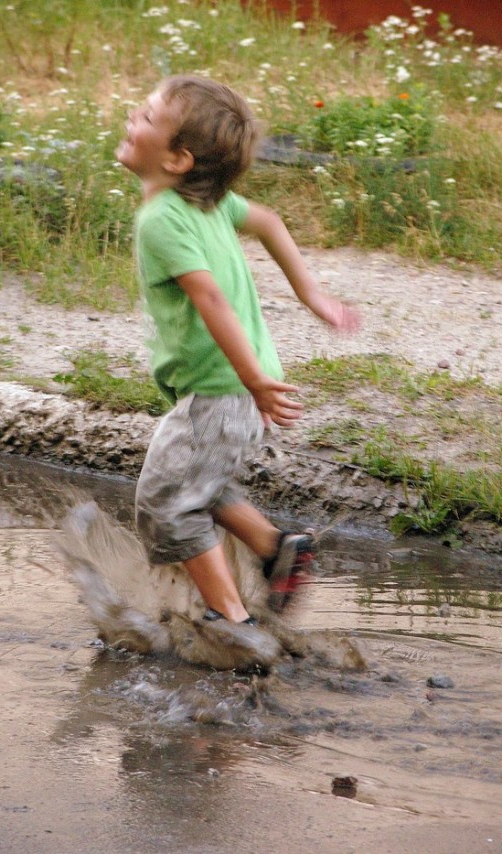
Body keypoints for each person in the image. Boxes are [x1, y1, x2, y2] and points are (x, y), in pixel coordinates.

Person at [117, 75, 359, 626]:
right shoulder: (211, 204)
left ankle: (232, 621)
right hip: (233, 388)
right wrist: (311, 294)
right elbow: (270, 222)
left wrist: (251, 381)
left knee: (165, 504)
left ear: (179, 158)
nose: (133, 116)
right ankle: (276, 548)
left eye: (147, 117)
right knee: (198, 482)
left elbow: (211, 300)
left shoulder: (162, 219)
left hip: (225, 389)